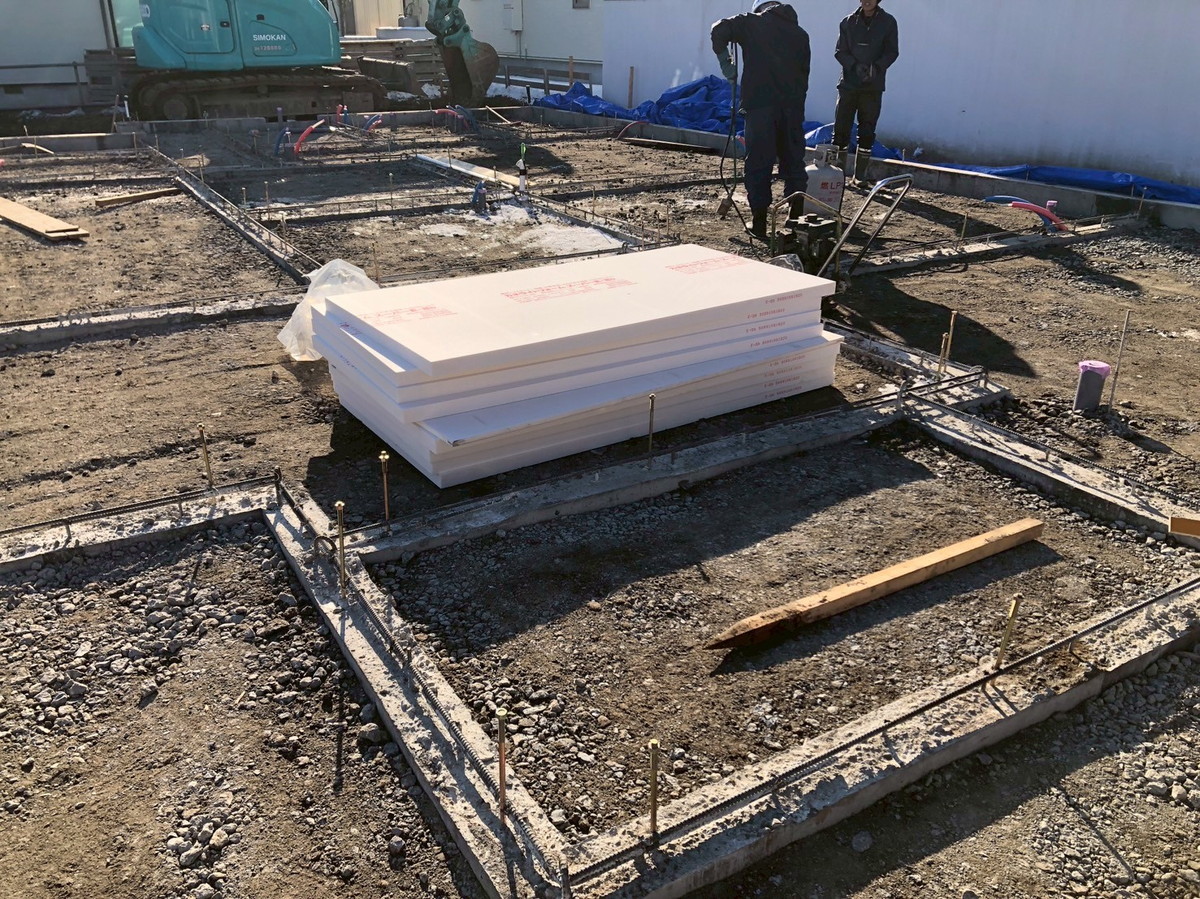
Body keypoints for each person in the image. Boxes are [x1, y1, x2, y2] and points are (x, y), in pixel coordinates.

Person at [711, 1, 811, 241]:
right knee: (793, 162)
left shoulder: (752, 22)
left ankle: (759, 224)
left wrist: (726, 63)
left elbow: (718, 30)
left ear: (760, 8)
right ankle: (796, 220)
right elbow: (804, 74)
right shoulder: (800, 34)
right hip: (792, 108)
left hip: (760, 108)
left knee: (758, 164)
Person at [833, 0, 899, 187]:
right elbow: (840, 51)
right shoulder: (848, 22)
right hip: (848, 84)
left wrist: (875, 68)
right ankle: (838, 174)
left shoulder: (888, 22)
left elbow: (892, 52)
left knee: (867, 130)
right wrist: (854, 66)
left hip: (872, 86)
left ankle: (860, 175)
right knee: (841, 128)